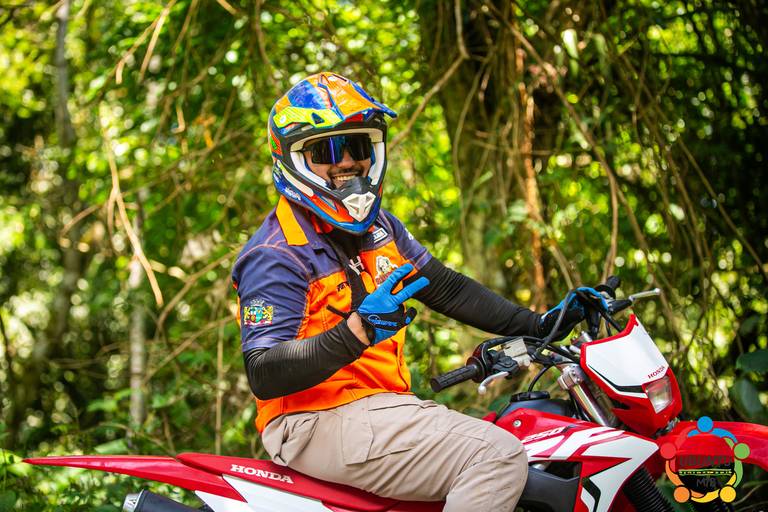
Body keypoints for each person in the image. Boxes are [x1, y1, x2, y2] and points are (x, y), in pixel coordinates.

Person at [232, 72, 603, 511]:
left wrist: (541, 323)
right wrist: (356, 331)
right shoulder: (277, 254)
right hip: (313, 420)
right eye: (327, 151)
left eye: (358, 147)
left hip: (379, 409)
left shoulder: (379, 228)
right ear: (292, 160)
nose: (347, 162)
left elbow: (446, 288)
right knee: (495, 455)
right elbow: (264, 372)